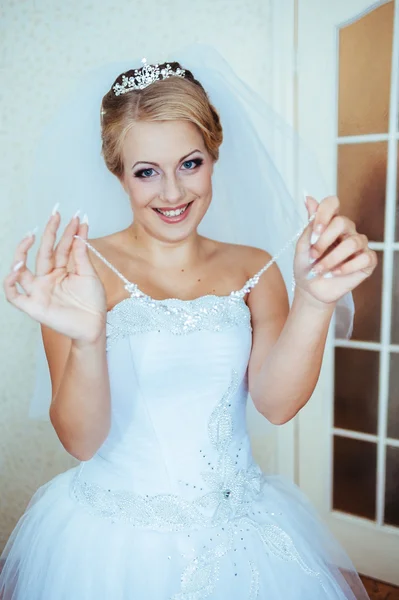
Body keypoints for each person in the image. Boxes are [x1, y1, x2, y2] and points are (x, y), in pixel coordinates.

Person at [1, 52, 376, 599]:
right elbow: (82, 441)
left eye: (190, 163)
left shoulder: (255, 268)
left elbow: (276, 404)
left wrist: (315, 302)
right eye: (146, 171)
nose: (173, 193)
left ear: (214, 154)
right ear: (118, 173)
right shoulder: (78, 275)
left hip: (244, 537)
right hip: (114, 544)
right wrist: (86, 340)